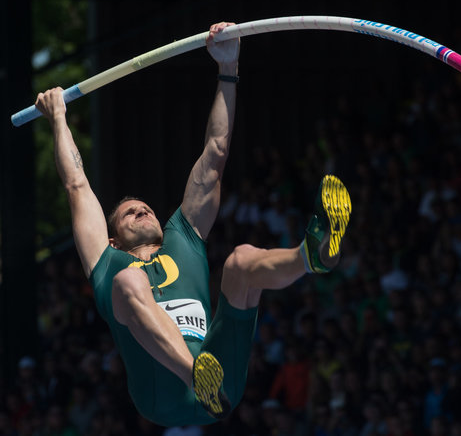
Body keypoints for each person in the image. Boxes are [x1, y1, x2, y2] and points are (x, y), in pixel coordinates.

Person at [34, 21, 352, 427]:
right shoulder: (108, 264)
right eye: (129, 213)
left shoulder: (183, 236)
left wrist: (228, 67)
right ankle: (195, 374)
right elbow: (76, 184)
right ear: (112, 239)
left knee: (240, 261)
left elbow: (216, 151)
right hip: (163, 393)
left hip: (222, 376)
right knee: (129, 282)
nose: (141, 211)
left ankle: (312, 256)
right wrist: (58, 117)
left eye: (144, 207)